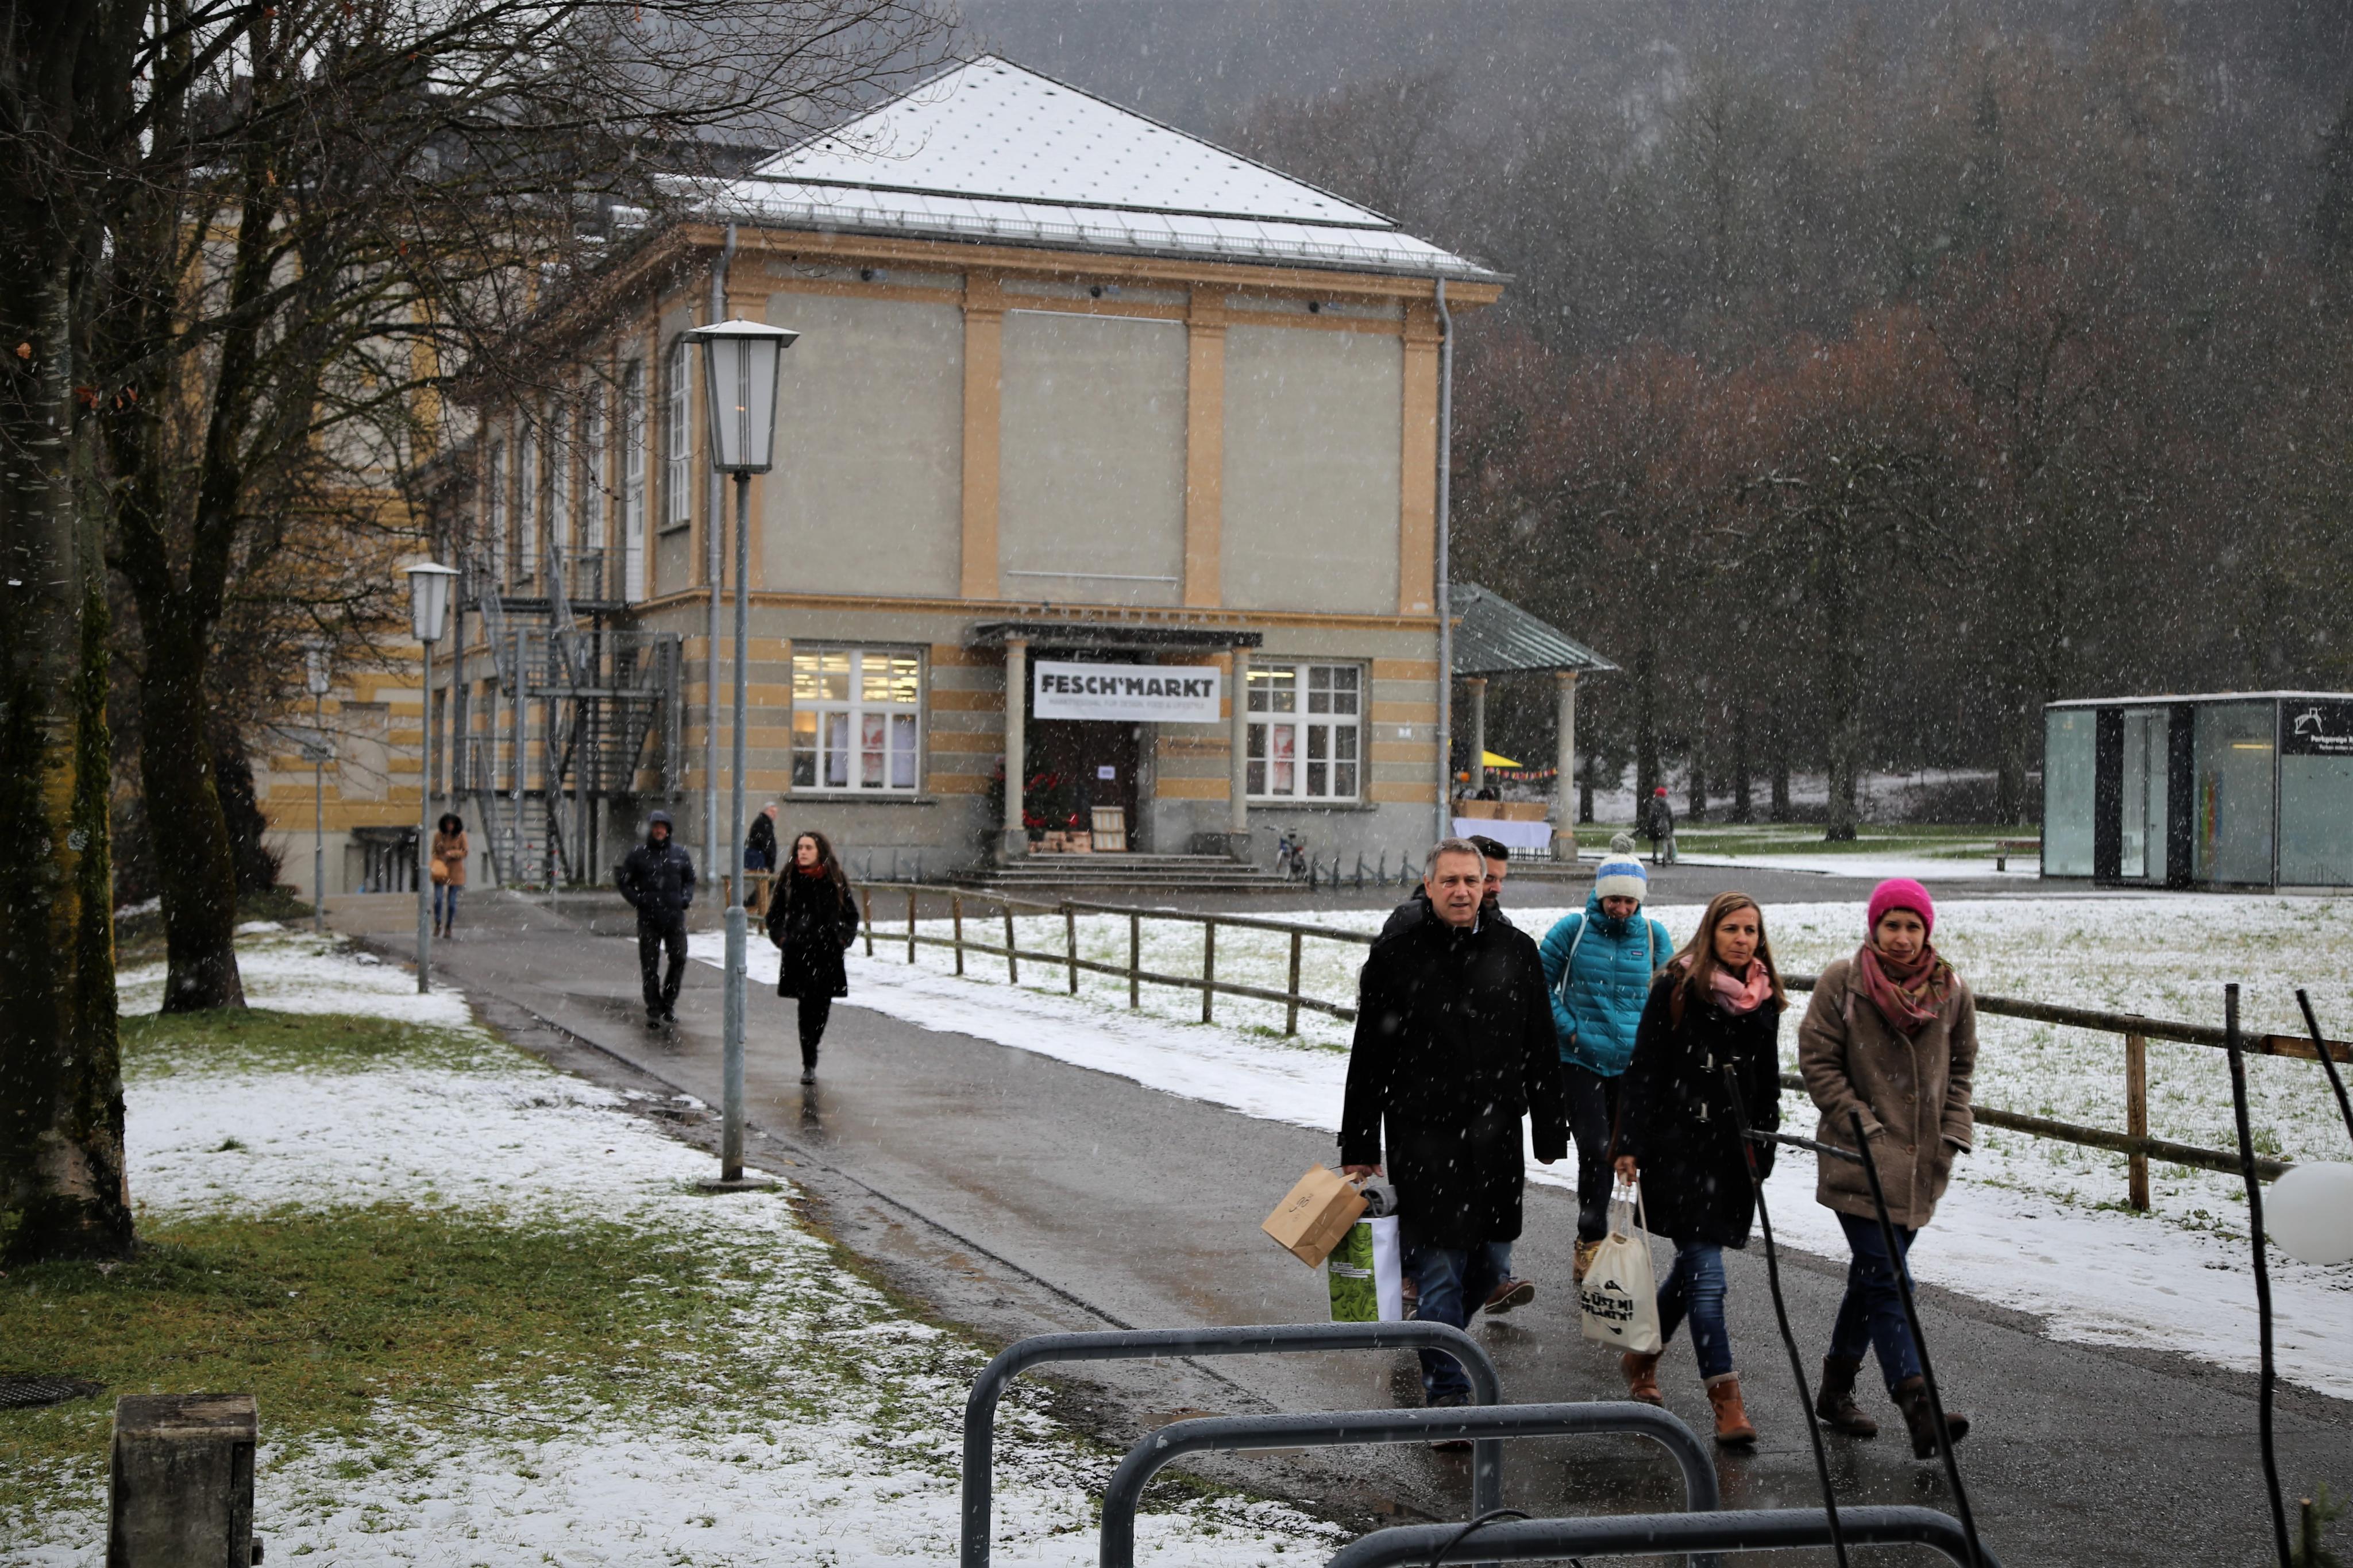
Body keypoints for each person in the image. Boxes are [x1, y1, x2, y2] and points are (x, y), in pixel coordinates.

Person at [1341, 839, 1567, 1432]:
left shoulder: (1516, 950)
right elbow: (1369, 1056)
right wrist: (1359, 1145)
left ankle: (1438, 1343)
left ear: (1486, 885)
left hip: (1496, 1136)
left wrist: (1550, 1127)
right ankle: (1447, 1394)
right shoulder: (1397, 956)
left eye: (1472, 880)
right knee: (1440, 1267)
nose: (1462, 891)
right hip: (1423, 1136)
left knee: (1490, 1265)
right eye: (1450, 881)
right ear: (1429, 886)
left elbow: (1541, 1043)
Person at [1800, 877, 1977, 1458]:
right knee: (1889, 1277)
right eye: (1891, 925)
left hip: (1921, 1167)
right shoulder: (1843, 983)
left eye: (1912, 926)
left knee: (1872, 1278)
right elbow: (1818, 1062)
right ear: (1874, 928)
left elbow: (1961, 1069)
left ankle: (1835, 1391)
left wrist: (1952, 1133)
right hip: (1857, 1160)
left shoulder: (1951, 991)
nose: (1902, 937)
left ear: (1927, 931)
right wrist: (1863, 1126)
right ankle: (1917, 1402)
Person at [1611, 891, 1788, 1446]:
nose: (1742, 939)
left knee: (1691, 1274)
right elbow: (1645, 1069)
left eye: (1751, 930)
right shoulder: (1678, 987)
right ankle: (1726, 1401)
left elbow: (1768, 1085)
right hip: (1679, 1152)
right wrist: (1630, 1145)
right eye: (1732, 929)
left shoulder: (1764, 999)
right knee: (1708, 1278)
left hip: (1733, 1159)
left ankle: (1642, 1356)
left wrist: (1764, 1150)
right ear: (1711, 932)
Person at [1539, 848, 1674, 1284]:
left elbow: (1670, 995)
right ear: (1599, 896)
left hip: (1634, 1066)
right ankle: (1591, 1239)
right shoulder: (1573, 930)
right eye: (1614, 899)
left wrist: (1656, 1045)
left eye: (1629, 901)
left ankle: (1634, 1241)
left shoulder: (1652, 936)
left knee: (1633, 1151)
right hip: (1581, 1060)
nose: (1621, 908)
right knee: (1597, 1150)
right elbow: (1539, 982)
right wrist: (1570, 1030)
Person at [765, 829, 859, 1085]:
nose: (803, 852)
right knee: (805, 1008)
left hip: (828, 955)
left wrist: (843, 939)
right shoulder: (789, 878)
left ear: (820, 852)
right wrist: (783, 940)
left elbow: (851, 915)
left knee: (822, 1008)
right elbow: (774, 916)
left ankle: (813, 1046)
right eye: (800, 848)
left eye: (808, 848)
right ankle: (809, 1062)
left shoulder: (835, 878)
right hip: (799, 954)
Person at [616, 809, 696, 1026]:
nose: (659, 831)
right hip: (649, 918)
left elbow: (690, 879)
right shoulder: (638, 855)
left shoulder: (680, 854)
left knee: (679, 959)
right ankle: (653, 1008)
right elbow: (624, 882)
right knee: (650, 965)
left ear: (668, 830)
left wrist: (685, 898)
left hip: (674, 917)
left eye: (663, 827)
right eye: (656, 827)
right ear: (651, 830)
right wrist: (638, 900)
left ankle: (668, 1003)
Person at [1379, 834, 1514, 940]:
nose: (1498, 889)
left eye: (1501, 880)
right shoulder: (1407, 922)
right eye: (1489, 879)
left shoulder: (1504, 929)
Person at [430, 812, 467, 939]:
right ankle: (438, 923)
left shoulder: (461, 836)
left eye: (452, 824)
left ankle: (449, 927)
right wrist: (440, 858)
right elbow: (434, 852)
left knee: (452, 902)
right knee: (438, 900)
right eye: (448, 824)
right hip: (441, 870)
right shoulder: (438, 836)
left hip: (455, 871)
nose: (450, 826)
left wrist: (453, 853)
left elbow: (465, 852)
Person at [745, 802, 780, 914]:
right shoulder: (763, 823)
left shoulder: (763, 822)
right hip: (759, 859)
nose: (774, 815)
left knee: (765, 884)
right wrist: (770, 862)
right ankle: (753, 905)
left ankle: (753, 905)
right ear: (765, 811)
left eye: (776, 813)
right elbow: (766, 844)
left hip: (759, 858)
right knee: (765, 883)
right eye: (772, 811)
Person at [1645, 786, 1676, 865]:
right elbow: (1671, 817)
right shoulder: (1667, 805)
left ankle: (1655, 857)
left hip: (1656, 825)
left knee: (1656, 842)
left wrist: (1650, 826)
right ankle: (1664, 858)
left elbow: (1651, 816)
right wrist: (1671, 828)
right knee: (1665, 841)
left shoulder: (1654, 805)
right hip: (1665, 825)